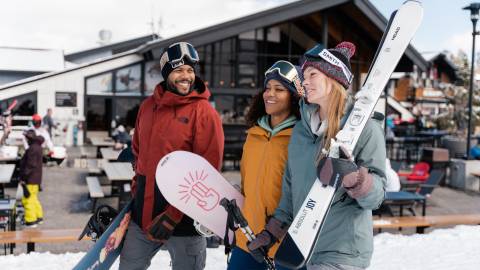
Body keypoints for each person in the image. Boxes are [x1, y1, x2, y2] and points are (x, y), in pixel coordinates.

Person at [247, 42, 387, 270]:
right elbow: (290, 194)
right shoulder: (301, 131)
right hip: (303, 250)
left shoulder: (365, 129)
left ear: (334, 80)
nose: (304, 81)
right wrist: (271, 233)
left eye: (312, 74)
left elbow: (377, 196)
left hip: (343, 252)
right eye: (303, 76)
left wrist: (355, 179)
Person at [119, 42, 224, 270]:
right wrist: (136, 194)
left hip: (184, 220)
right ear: (167, 73)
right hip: (144, 215)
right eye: (178, 70)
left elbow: (207, 174)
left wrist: (172, 216)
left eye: (190, 70)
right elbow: (138, 153)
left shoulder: (204, 113)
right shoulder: (147, 107)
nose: (186, 76)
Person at [227, 61, 303, 270]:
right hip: (248, 237)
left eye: (279, 89)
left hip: (285, 242)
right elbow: (247, 183)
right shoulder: (254, 134)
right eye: (268, 88)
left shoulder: (301, 138)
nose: (270, 94)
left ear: (294, 96)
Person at [20, 130, 45, 227]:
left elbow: (30, 165)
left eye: (26, 138)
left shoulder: (32, 149)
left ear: (29, 138)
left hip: (30, 179)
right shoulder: (37, 147)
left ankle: (31, 221)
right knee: (34, 198)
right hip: (36, 179)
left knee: (28, 200)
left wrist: (23, 177)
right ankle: (38, 217)